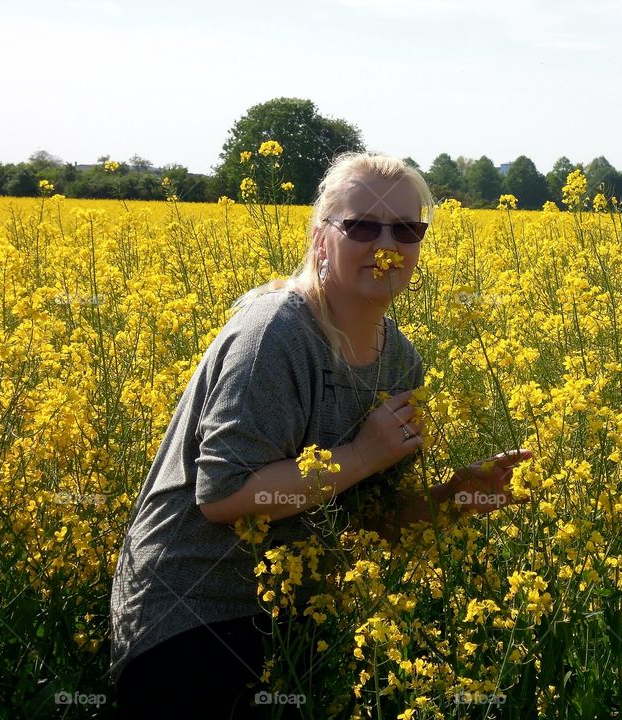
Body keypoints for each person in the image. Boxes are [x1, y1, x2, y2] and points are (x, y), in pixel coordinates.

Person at [109, 151, 532, 717]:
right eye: (362, 225)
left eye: (407, 230)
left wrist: (452, 499)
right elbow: (224, 494)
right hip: (194, 615)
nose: (387, 245)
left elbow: (365, 521)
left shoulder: (402, 364)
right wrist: (360, 454)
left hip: (298, 614)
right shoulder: (275, 336)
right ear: (319, 239)